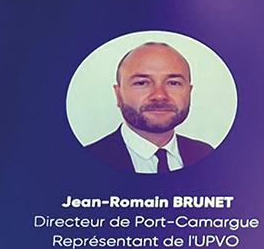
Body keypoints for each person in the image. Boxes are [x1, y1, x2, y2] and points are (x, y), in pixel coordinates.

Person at [86, 42, 213, 172]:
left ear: (189, 92)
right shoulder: (85, 161)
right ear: (118, 95)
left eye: (173, 83)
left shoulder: (206, 154)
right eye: (142, 83)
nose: (159, 95)